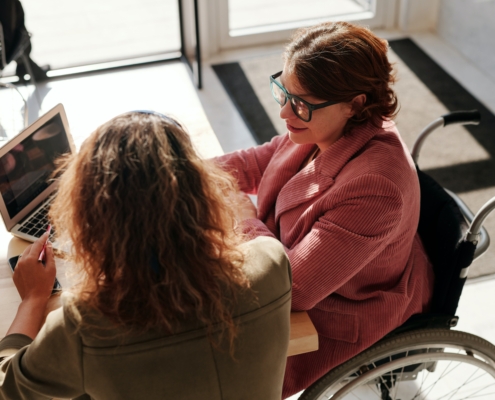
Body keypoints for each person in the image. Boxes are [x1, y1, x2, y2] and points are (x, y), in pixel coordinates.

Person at [0, 111, 292, 399]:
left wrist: (33, 299)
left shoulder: (85, 326)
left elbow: (6, 389)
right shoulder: (272, 262)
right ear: (203, 191)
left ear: (92, 217)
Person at [214, 21, 435, 398]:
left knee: (212, 360)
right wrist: (177, 171)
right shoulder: (322, 124)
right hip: (304, 266)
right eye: (282, 91)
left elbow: (294, 289)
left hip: (336, 314)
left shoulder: (375, 187)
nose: (285, 113)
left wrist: (243, 215)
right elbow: (256, 161)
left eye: (299, 103)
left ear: (356, 103)